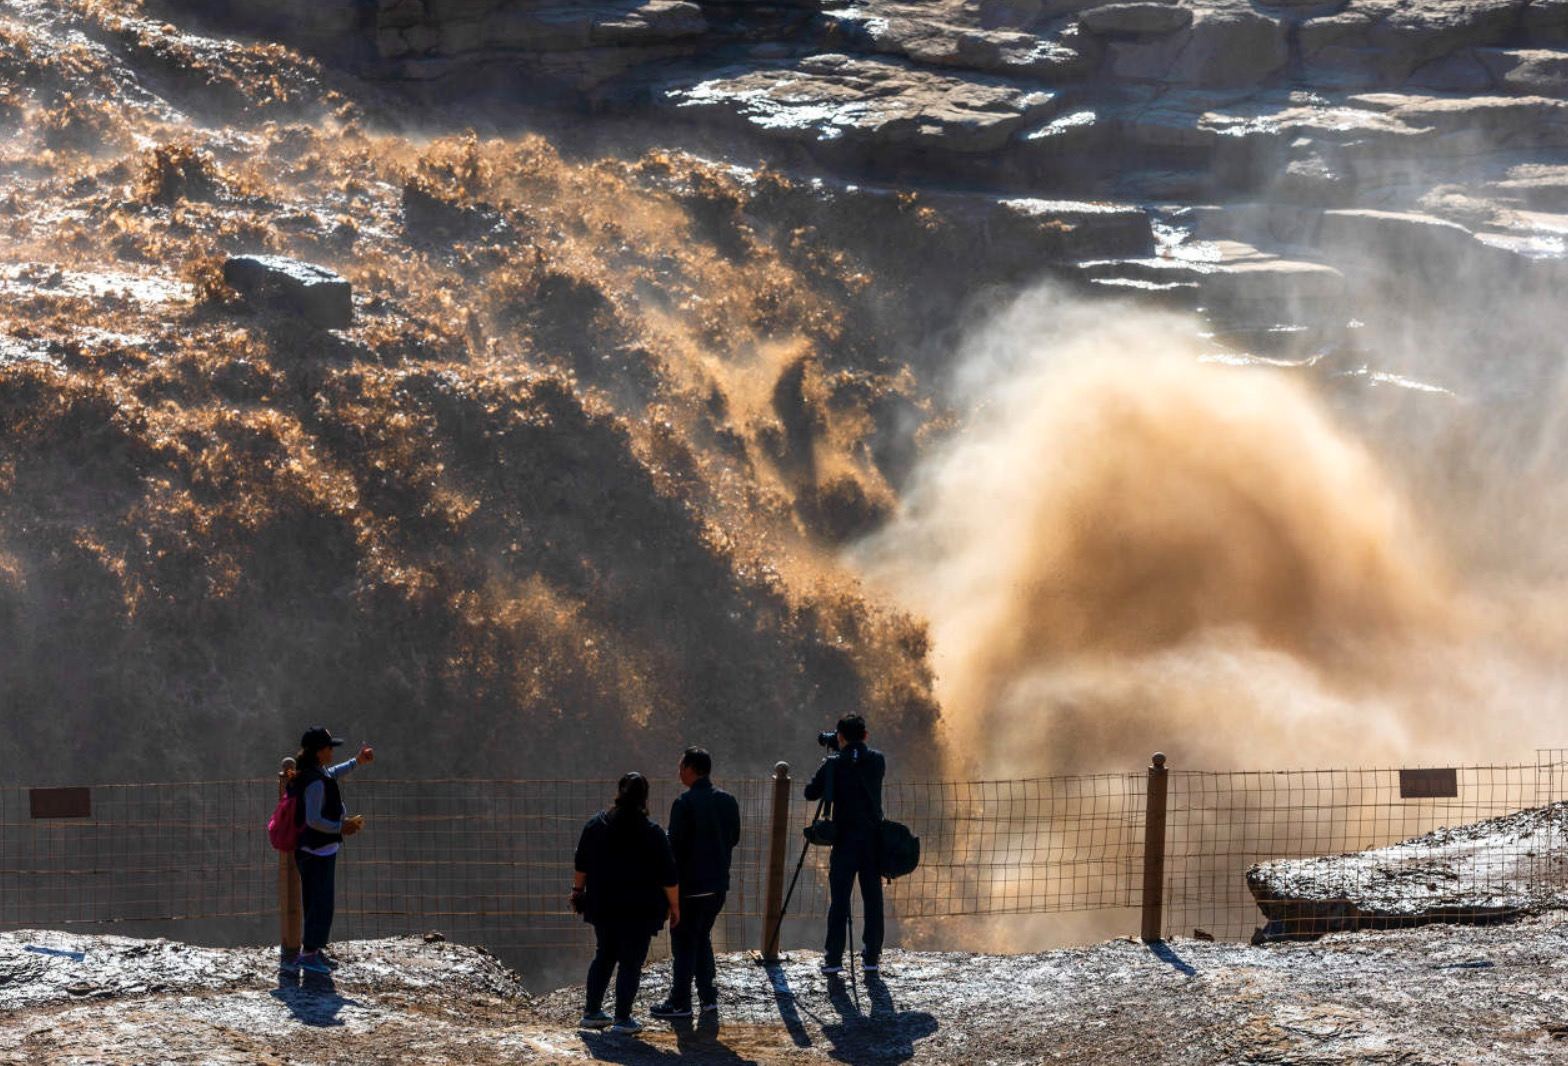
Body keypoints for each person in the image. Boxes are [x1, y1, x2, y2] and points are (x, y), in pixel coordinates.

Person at [573, 772, 679, 1034]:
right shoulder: (653, 833)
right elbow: (668, 877)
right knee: (630, 962)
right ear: (645, 797)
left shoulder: (596, 825)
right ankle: (622, 1019)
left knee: (604, 954)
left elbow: (581, 864)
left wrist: (577, 891)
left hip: (603, 905)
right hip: (639, 910)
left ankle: (592, 1012)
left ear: (619, 792)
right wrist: (675, 907)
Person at [651, 747, 741, 1020]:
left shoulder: (684, 803)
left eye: (681, 767)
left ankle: (680, 1002)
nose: (679, 772)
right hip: (717, 886)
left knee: (683, 944)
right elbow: (734, 838)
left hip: (690, 887)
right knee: (702, 938)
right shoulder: (728, 800)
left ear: (691, 769)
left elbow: (674, 847)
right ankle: (708, 997)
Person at [286, 726, 374, 976]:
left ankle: (312, 950)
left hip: (315, 849)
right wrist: (341, 827)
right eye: (328, 748)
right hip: (317, 851)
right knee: (321, 904)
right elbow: (314, 819)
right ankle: (309, 955)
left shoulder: (315, 773)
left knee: (316, 901)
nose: (331, 752)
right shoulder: (314, 781)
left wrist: (356, 762)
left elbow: (332, 774)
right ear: (319, 751)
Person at [804, 714, 885, 975]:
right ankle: (871, 957)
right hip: (872, 841)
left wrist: (830, 762)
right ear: (865, 735)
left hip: (845, 841)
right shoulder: (878, 761)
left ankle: (833, 959)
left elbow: (810, 793)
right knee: (873, 898)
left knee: (839, 899)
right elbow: (859, 761)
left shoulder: (833, 765)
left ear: (840, 736)